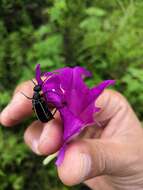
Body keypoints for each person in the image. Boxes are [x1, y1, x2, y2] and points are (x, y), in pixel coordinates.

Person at [0, 80, 143, 190]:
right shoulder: (39, 98)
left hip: (46, 115)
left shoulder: (37, 98)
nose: (39, 88)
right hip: (47, 115)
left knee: (49, 125)